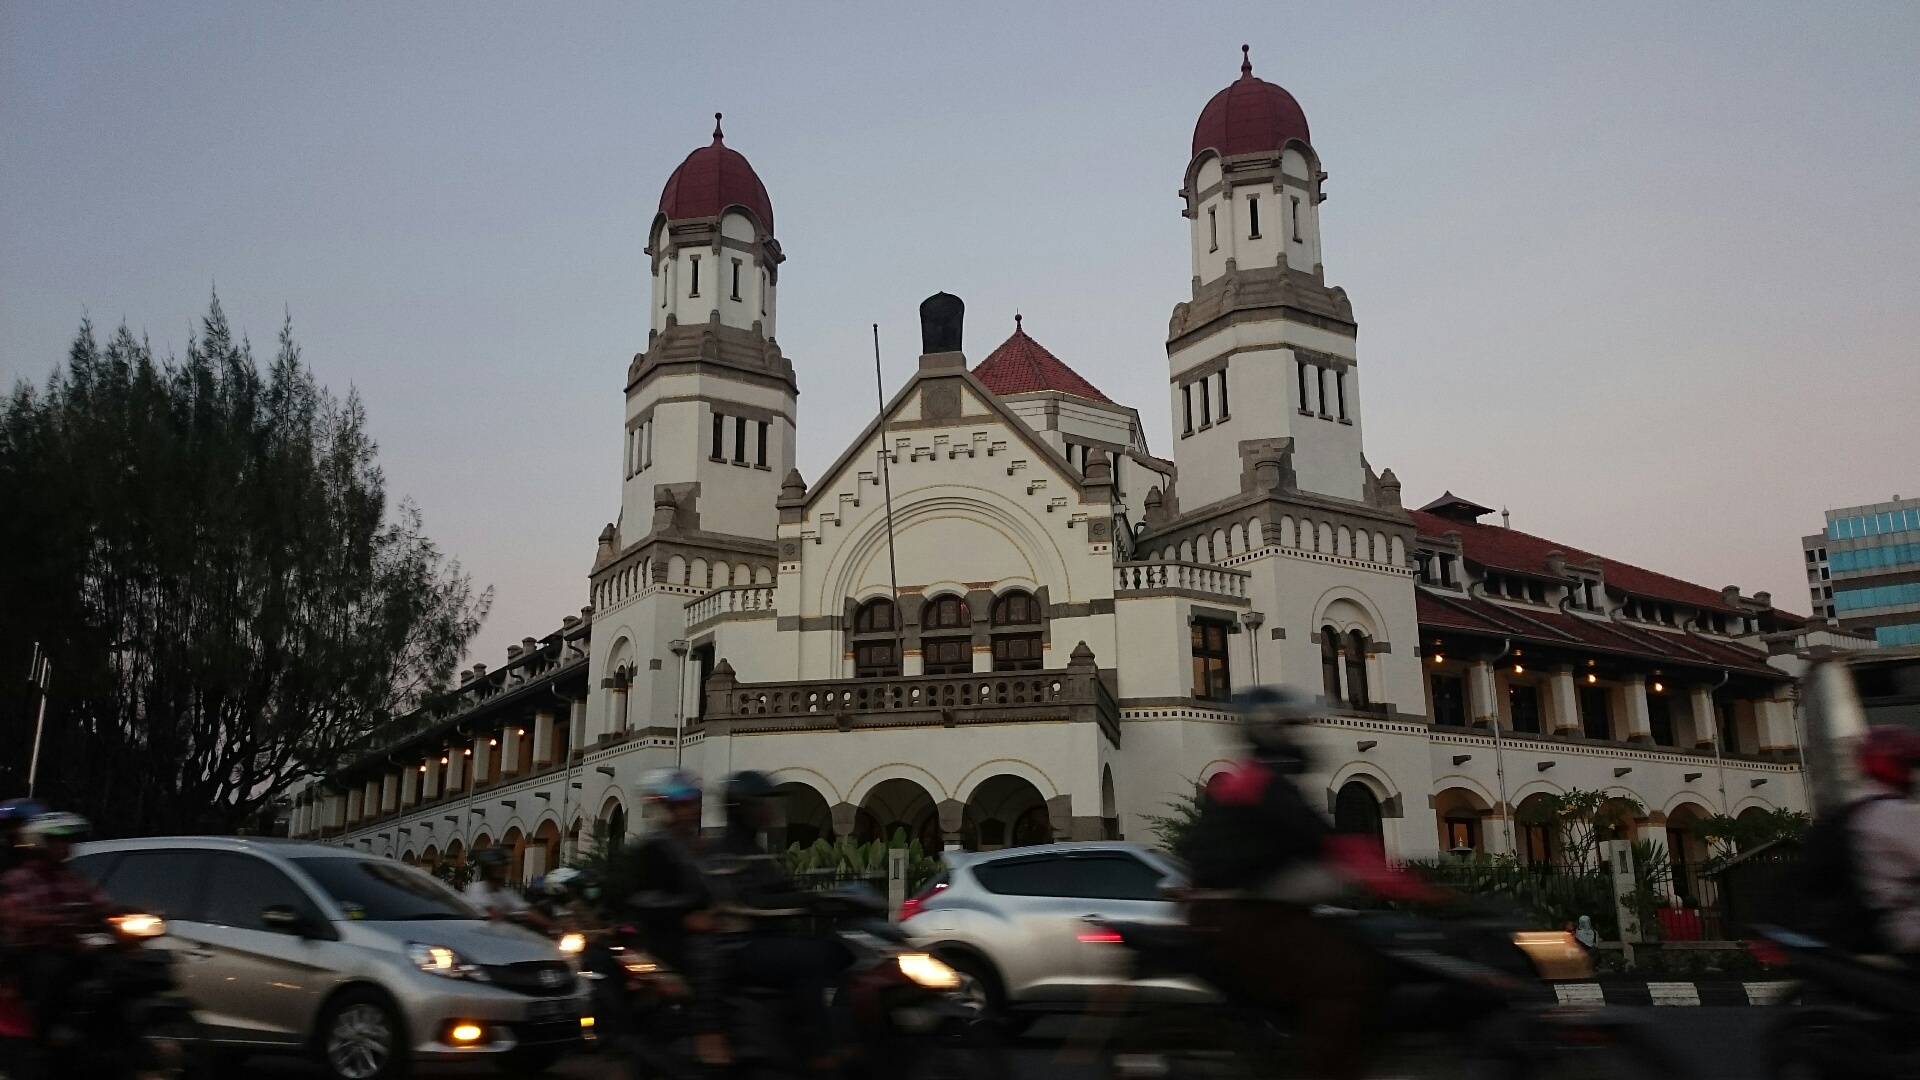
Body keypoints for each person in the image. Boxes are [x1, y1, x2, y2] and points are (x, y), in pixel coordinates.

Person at [1177, 687, 1383, 1080]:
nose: (1298, 738)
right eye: (1290, 727)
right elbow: (1317, 838)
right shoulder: (1259, 784)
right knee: (1346, 978)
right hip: (1239, 916)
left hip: (1237, 911)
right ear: (1267, 730)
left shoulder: (1256, 779)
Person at [701, 770, 851, 1073]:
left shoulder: (757, 851)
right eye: (760, 804)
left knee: (844, 950)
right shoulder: (725, 854)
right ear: (741, 809)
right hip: (741, 945)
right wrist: (800, 903)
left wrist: (829, 899)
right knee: (815, 957)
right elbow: (749, 901)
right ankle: (821, 1048)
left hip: (765, 941)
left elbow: (783, 889)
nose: (768, 812)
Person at [623, 768, 723, 1063]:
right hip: (667, 937)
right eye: (681, 806)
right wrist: (684, 917)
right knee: (709, 960)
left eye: (693, 804)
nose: (690, 812)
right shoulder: (652, 848)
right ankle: (710, 1035)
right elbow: (641, 897)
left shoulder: (696, 847)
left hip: (701, 926)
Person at [0, 812, 113, 1047]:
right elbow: (15, 914)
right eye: (56, 840)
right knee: (53, 971)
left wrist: (129, 915)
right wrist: (54, 920)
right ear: (40, 843)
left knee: (118, 967)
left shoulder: (74, 879)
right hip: (34, 952)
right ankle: (44, 1038)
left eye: (67, 841)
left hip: (72, 947)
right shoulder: (18, 879)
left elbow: (101, 906)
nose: (64, 846)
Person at [1851, 725, 1920, 961]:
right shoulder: (1895, 813)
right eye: (1910, 766)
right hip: (1902, 930)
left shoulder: (1854, 807)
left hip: (1867, 927)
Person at [463, 846, 549, 930]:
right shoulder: (477, 888)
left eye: (504, 866)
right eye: (498, 867)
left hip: (503, 935)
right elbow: (491, 911)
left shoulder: (506, 892)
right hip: (480, 933)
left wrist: (551, 923)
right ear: (488, 869)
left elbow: (527, 910)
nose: (503, 870)